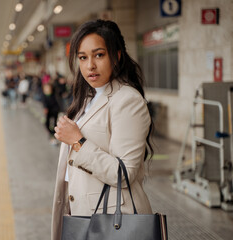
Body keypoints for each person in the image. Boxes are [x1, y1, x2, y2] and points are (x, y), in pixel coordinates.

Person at [51, 19, 154, 240]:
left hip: (114, 223)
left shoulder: (127, 101)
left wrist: (78, 142)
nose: (90, 66)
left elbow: (124, 173)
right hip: (84, 217)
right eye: (83, 57)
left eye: (99, 55)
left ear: (116, 56)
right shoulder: (87, 99)